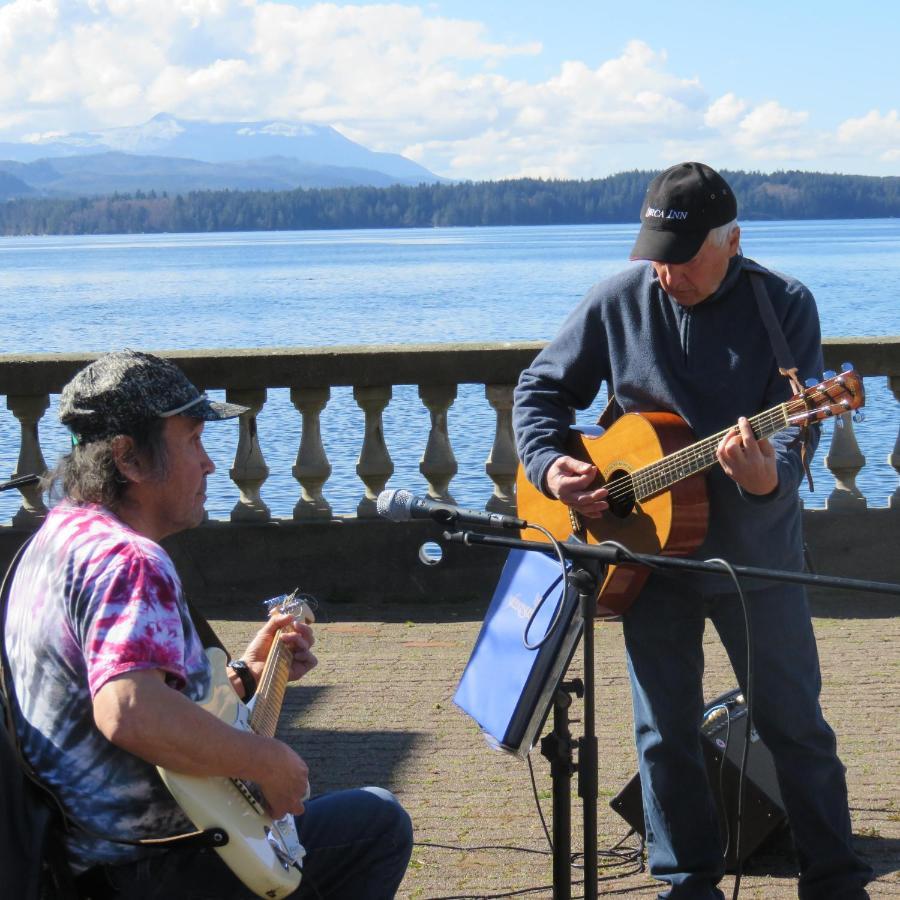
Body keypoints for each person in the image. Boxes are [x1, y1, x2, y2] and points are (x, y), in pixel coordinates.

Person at [513, 163, 872, 899]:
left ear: (732, 241)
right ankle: (686, 883)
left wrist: (765, 475)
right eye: (653, 254)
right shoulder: (620, 297)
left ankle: (835, 882)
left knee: (793, 725)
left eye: (680, 258)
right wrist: (552, 469)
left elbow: (798, 431)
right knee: (663, 732)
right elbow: (540, 388)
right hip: (644, 557)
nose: (664, 273)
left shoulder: (784, 307)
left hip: (756, 559)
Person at [3, 350, 413, 899]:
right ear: (128, 458)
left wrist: (243, 674)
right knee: (377, 823)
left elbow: (119, 690)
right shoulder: (130, 560)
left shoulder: (55, 540)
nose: (210, 464)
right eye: (193, 440)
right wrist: (268, 760)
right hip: (148, 869)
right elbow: (129, 711)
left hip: (70, 861)